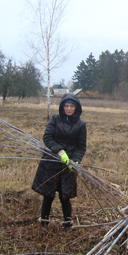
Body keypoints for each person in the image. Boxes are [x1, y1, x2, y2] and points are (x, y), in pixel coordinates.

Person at [32, 93, 86, 232]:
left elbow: (81, 146)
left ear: (76, 108)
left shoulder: (81, 125)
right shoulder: (55, 119)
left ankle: (67, 224)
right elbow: (47, 137)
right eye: (66, 106)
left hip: (68, 166)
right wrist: (60, 151)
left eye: (71, 106)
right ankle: (44, 221)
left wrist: (75, 160)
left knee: (65, 195)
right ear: (62, 108)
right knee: (48, 194)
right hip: (51, 162)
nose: (68, 108)